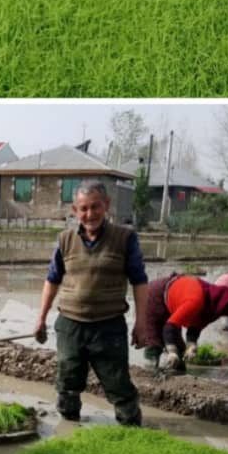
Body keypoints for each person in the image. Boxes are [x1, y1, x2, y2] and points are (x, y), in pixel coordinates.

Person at [32, 181, 146, 426]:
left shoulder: (125, 238)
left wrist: (142, 323)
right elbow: (52, 280)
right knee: (67, 383)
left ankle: (132, 426)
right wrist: (41, 318)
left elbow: (139, 281)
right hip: (71, 326)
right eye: (83, 208)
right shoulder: (64, 239)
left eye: (95, 207)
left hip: (109, 327)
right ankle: (69, 427)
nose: (90, 214)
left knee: (118, 383)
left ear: (106, 205)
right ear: (75, 210)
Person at [139, 273, 228, 372]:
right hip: (155, 295)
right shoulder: (195, 299)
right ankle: (149, 373)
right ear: (225, 307)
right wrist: (172, 352)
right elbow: (170, 326)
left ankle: (174, 377)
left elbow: (196, 325)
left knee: (179, 350)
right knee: (154, 340)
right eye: (227, 312)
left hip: (172, 301)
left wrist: (191, 345)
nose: (224, 315)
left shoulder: (211, 303)